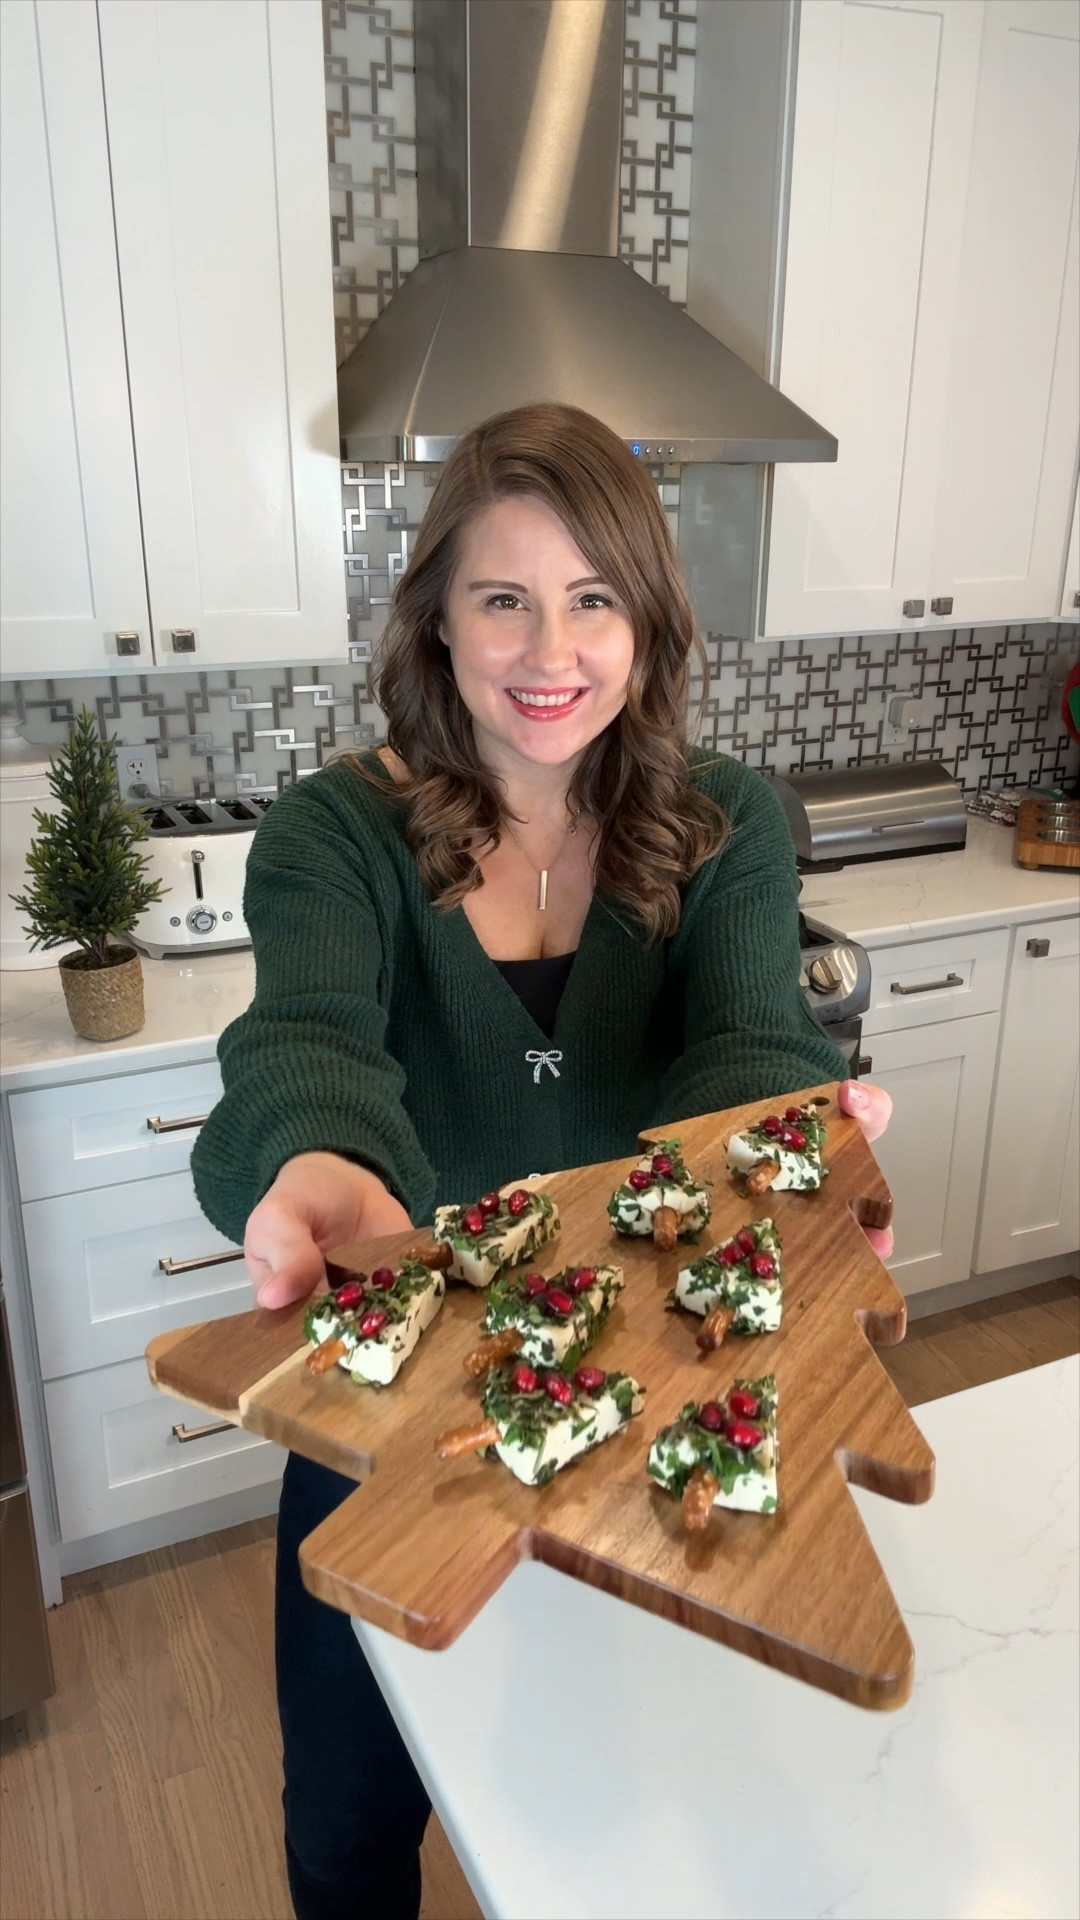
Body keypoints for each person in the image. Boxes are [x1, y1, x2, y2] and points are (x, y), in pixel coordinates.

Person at [192, 401, 892, 1920]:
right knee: (350, 1825)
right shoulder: (335, 834)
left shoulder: (727, 828)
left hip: (646, 1409)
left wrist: (788, 1161)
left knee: (614, 1815)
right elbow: (306, 1042)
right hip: (394, 1410)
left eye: (594, 599)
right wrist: (317, 1164)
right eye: (502, 597)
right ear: (436, 620)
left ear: (647, 625)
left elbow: (749, 1045)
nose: (548, 649)